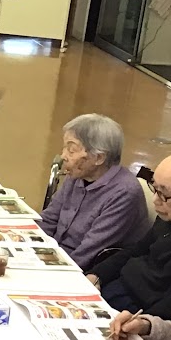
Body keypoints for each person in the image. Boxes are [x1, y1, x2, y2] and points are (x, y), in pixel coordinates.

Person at [88, 150, 171, 320]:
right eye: (155, 188)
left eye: (164, 194)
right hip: (115, 287)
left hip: (136, 313)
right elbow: (136, 250)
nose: (155, 200)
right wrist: (97, 274)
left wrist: (140, 324)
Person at [37, 114, 151, 271]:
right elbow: (49, 220)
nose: (63, 156)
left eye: (71, 150)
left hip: (84, 269)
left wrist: (47, 269)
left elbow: (88, 254)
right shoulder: (78, 175)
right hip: (55, 254)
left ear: (98, 158)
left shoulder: (124, 193)